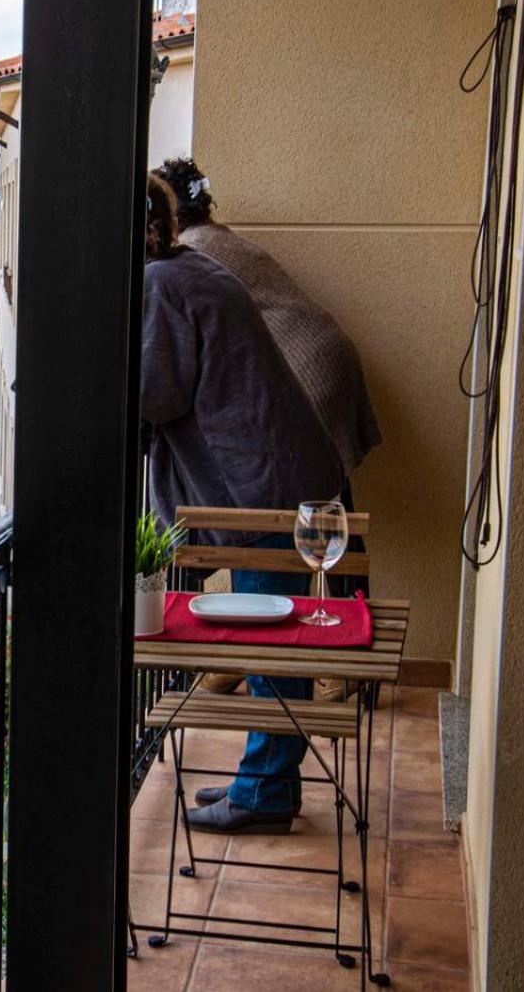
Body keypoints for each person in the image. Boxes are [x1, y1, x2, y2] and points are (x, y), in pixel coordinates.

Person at [140, 174, 345, 835]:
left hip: (262, 487)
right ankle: (264, 781)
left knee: (271, 643)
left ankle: (265, 793)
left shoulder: (160, 285)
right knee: (271, 639)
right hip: (282, 475)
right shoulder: (190, 266)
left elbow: (155, 394)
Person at [153, 157, 380, 475]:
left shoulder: (193, 251)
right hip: (328, 355)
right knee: (324, 485)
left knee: (311, 486)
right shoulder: (216, 235)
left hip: (307, 367)